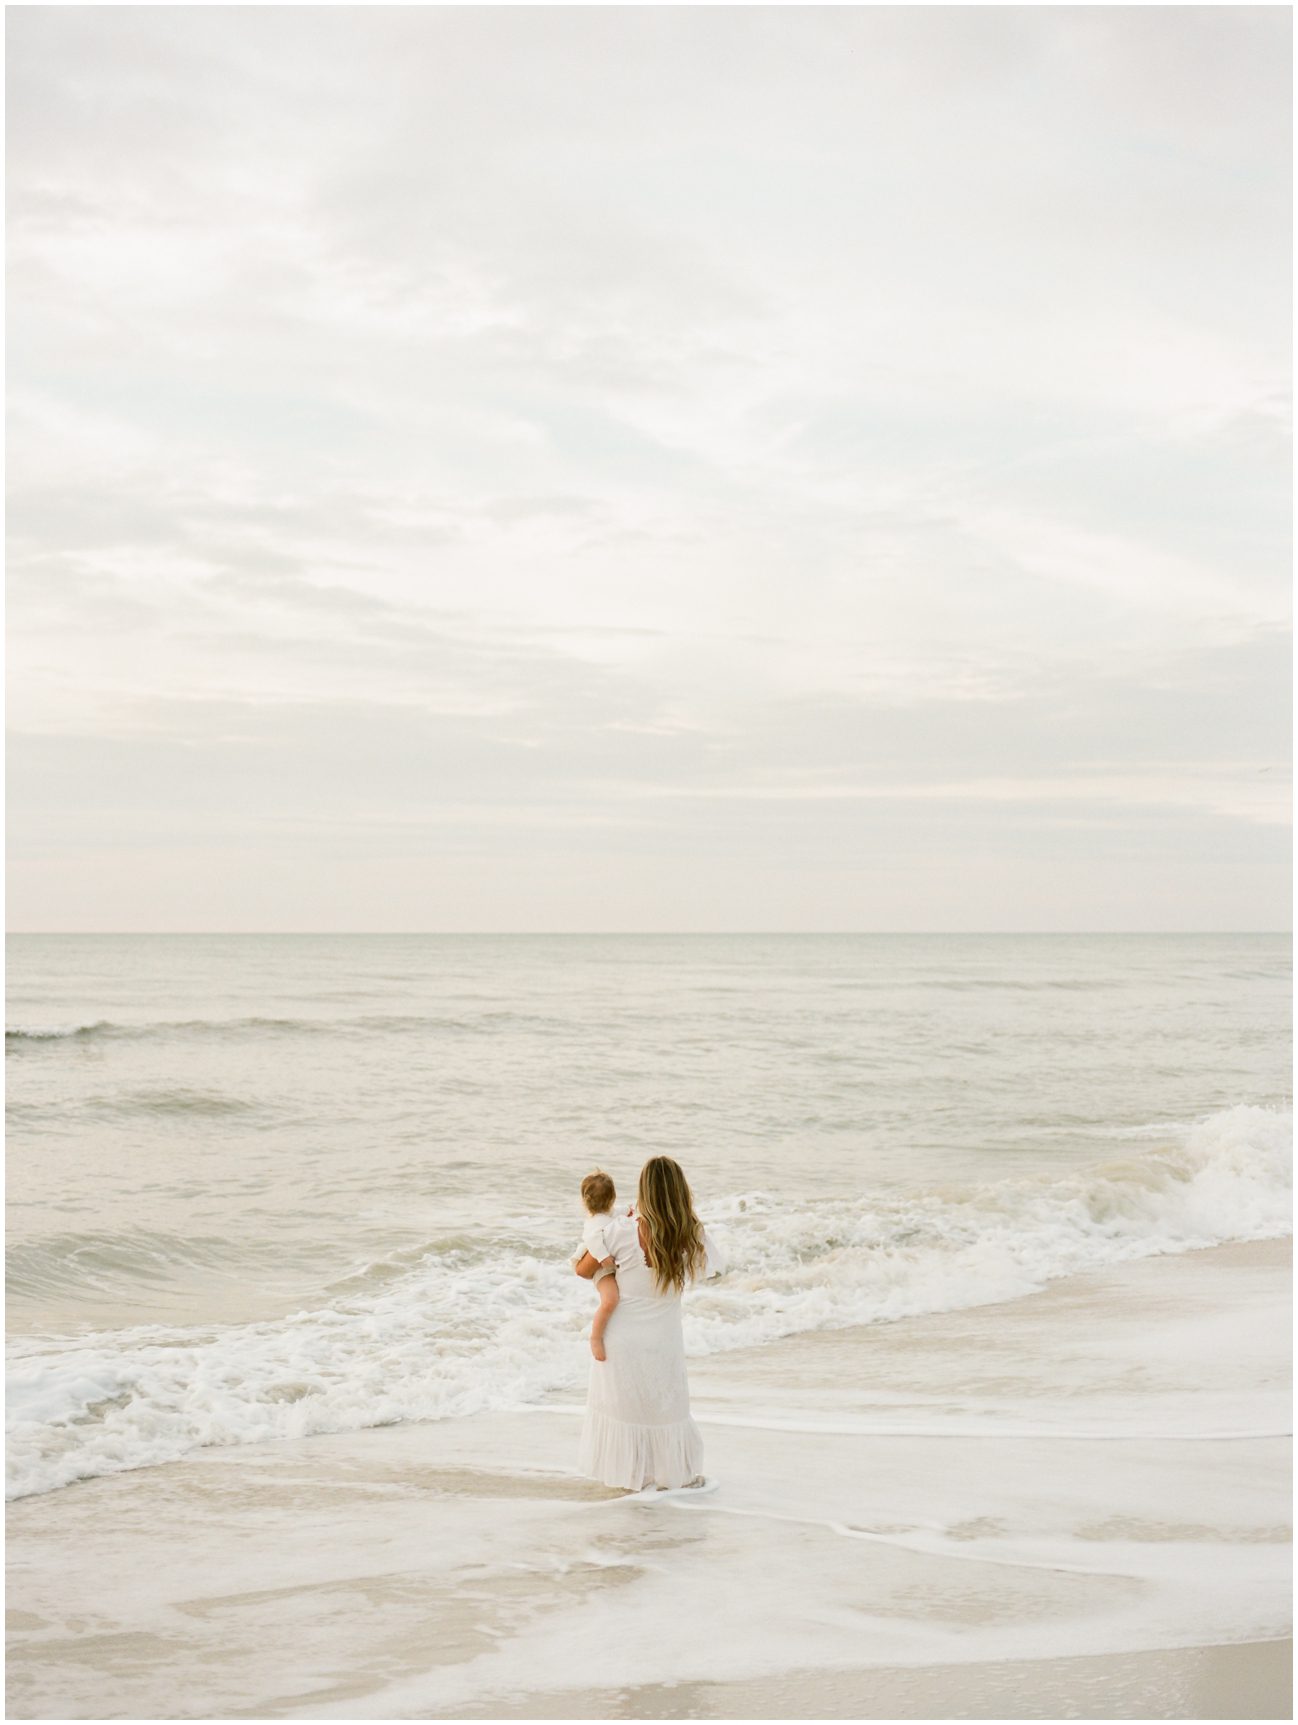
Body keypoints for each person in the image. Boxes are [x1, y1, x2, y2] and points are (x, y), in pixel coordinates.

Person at [573, 1155, 724, 1492]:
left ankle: (634, 1485)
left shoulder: (621, 1230)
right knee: (663, 1409)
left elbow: (582, 1269)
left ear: (644, 1190)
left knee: (627, 1409)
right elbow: (712, 1268)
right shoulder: (691, 1234)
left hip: (621, 1334)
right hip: (664, 1336)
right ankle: (670, 1480)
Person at [572, 1168, 624, 1361]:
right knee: (610, 1300)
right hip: (601, 1269)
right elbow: (592, 1241)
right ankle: (595, 1337)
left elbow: (622, 1211)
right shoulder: (594, 1223)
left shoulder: (609, 1214)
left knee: (614, 1299)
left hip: (607, 1265)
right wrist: (603, 1258)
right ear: (612, 1198)